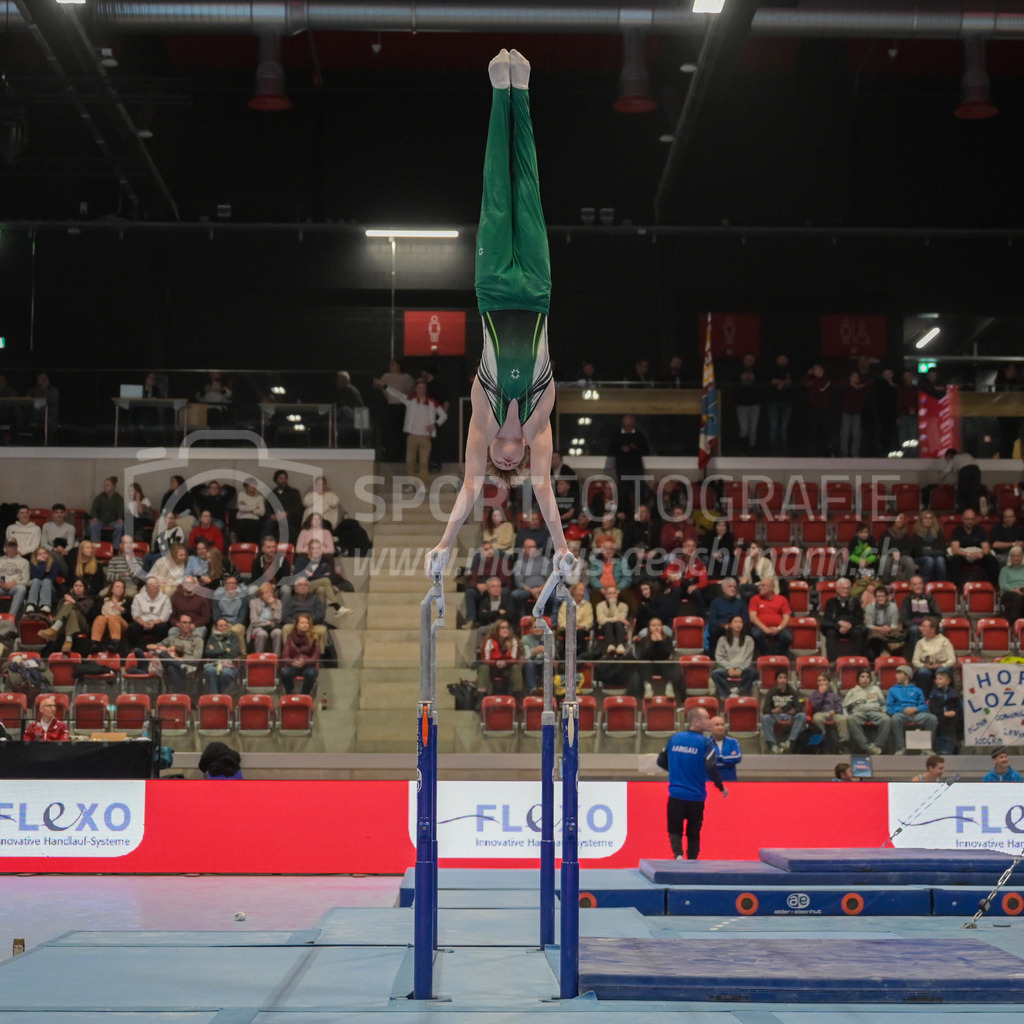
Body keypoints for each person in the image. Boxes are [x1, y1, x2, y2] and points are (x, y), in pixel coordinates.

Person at [656, 706, 728, 860]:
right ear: (696, 722)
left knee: (674, 828)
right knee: (694, 832)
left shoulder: (674, 738)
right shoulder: (705, 742)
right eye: (706, 718)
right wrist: (720, 786)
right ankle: (692, 861)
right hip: (696, 796)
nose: (709, 721)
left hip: (676, 794)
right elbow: (711, 767)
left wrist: (677, 770)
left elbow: (661, 761)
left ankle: (678, 854)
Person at [386, 378, 448, 487]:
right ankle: (411, 485)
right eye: (419, 388)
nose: (421, 390)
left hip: (425, 436)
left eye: (423, 388)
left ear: (426, 389)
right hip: (412, 435)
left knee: (424, 464)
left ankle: (421, 486)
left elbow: (443, 415)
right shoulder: (411, 400)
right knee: (410, 462)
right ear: (416, 389)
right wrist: (384, 386)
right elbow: (397, 394)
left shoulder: (432, 402)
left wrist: (435, 425)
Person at [887, 664, 938, 754]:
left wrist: (915, 709)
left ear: (907, 675)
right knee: (895, 719)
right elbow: (890, 708)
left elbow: (924, 706)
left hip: (916, 714)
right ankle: (900, 748)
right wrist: (902, 710)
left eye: (899, 673)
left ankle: (927, 748)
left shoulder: (917, 690)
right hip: (901, 714)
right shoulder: (892, 690)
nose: (896, 676)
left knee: (932, 719)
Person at [948, 507, 999, 590]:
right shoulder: (957, 530)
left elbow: (986, 549)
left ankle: (993, 588)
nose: (969, 521)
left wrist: (980, 554)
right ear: (963, 519)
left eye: (972, 519)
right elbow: (955, 549)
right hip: (963, 555)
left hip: (978, 555)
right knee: (955, 559)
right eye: (967, 519)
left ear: (975, 520)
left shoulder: (980, 530)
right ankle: (956, 588)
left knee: (991, 560)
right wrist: (968, 554)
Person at [842, 669, 891, 755]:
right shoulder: (853, 691)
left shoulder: (875, 689)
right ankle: (867, 747)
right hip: (859, 712)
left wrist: (884, 712)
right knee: (850, 719)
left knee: (887, 720)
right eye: (862, 677)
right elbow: (844, 706)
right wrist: (846, 716)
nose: (865, 679)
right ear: (858, 679)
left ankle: (876, 745)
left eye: (868, 677)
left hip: (875, 711)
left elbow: (883, 703)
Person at [760, 669, 807, 753]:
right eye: (780, 678)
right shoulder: (771, 692)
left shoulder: (792, 691)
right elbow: (765, 709)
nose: (782, 680)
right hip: (776, 716)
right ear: (777, 680)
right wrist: (773, 711)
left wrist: (794, 711)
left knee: (802, 716)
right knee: (765, 718)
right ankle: (773, 745)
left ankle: (789, 742)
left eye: (785, 678)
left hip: (789, 715)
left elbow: (799, 707)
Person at [711, 614, 756, 700]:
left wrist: (740, 669)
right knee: (715, 673)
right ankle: (727, 695)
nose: (738, 624)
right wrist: (729, 668)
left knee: (752, 672)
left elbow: (748, 658)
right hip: (727, 668)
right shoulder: (722, 639)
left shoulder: (749, 640)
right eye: (736, 622)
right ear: (730, 625)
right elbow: (719, 657)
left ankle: (740, 691)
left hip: (743, 668)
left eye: (740, 622)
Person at [820, 575, 865, 661]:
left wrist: (849, 624)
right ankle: (832, 661)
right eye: (843, 588)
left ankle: (857, 660)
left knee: (859, 633)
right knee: (829, 632)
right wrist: (839, 624)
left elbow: (859, 618)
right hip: (836, 628)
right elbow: (828, 618)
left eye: (847, 588)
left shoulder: (855, 602)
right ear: (837, 589)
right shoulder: (830, 602)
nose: (845, 591)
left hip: (852, 628)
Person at [38, 578, 97, 644]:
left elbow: (85, 612)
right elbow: (57, 613)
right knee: (72, 612)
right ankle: (68, 641)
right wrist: (63, 605)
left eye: (80, 586)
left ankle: (54, 629)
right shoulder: (65, 599)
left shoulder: (89, 600)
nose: (78, 588)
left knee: (71, 606)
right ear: (73, 588)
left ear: (85, 588)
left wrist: (73, 602)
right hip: (64, 623)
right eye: (76, 586)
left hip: (80, 624)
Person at [632, 616, 677, 699]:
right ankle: (647, 686)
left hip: (662, 665)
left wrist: (660, 642)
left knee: (670, 663)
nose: (656, 627)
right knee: (642, 664)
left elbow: (666, 654)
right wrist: (652, 642)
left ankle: (669, 686)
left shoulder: (667, 639)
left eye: (659, 625)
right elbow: (644, 655)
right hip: (649, 665)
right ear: (649, 628)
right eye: (653, 625)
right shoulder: (643, 640)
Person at [910, 616, 956, 696]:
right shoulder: (920, 643)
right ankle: (925, 698)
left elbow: (952, 660)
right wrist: (924, 665)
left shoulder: (944, 641)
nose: (921, 628)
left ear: (933, 629)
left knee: (941, 672)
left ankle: (942, 697)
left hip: (941, 666)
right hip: (926, 666)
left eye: (924, 626)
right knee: (923, 673)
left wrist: (941, 665)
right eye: (921, 626)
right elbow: (915, 661)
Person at [748, 576, 792, 656]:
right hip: (760, 627)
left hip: (778, 628)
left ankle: (777, 655)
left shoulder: (782, 599)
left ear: (771, 587)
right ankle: (768, 655)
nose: (760, 587)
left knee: (787, 637)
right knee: (756, 634)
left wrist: (778, 628)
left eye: (763, 585)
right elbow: (753, 617)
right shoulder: (755, 599)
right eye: (759, 585)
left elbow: (786, 617)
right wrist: (765, 628)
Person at [479, 618, 522, 700]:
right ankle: (481, 698)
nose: (505, 630)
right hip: (493, 669)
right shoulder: (489, 641)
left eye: (507, 628)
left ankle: (518, 698)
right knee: (483, 668)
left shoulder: (514, 641)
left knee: (516, 668)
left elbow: (514, 659)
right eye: (502, 628)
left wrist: (505, 663)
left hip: (507, 669)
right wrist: (495, 663)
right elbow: (485, 659)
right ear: (496, 629)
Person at [126, 575, 172, 648]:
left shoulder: (165, 598)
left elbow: (165, 615)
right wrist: (142, 622)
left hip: (157, 622)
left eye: (154, 584)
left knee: (163, 627)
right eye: (149, 584)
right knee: (132, 627)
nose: (152, 586)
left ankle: (160, 650)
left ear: (158, 586)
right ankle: (134, 650)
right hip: (142, 622)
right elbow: (135, 613)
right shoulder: (138, 597)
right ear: (146, 586)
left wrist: (154, 623)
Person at [279, 613, 320, 695]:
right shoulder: (290, 637)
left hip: (308, 665)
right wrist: (293, 662)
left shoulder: (314, 637)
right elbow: (285, 655)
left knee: (311, 673)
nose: (304, 625)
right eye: (302, 623)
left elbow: (316, 656)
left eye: (306, 623)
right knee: (285, 673)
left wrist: (304, 661)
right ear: (297, 625)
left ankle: (304, 695)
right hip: (293, 665)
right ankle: (290, 693)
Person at [863, 583, 905, 660]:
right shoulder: (870, 607)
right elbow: (869, 625)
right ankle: (882, 653)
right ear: (875, 597)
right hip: (875, 631)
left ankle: (886, 652)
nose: (880, 598)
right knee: (874, 637)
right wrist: (880, 629)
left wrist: (888, 629)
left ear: (887, 597)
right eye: (878, 596)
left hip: (890, 631)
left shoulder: (893, 607)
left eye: (882, 596)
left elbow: (894, 624)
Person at [927, 668, 963, 755]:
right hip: (940, 715)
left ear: (948, 681)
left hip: (953, 716)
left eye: (940, 679)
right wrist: (942, 713)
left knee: (960, 719)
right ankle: (941, 749)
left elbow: (959, 707)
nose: (938, 681)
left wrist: (954, 712)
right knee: (940, 723)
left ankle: (957, 745)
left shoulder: (954, 693)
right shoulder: (934, 693)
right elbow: (932, 707)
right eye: (937, 679)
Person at [809, 673, 850, 750]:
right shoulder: (814, 694)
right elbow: (816, 706)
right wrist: (822, 694)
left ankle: (843, 742)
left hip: (833, 713)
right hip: (820, 712)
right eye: (819, 681)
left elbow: (839, 706)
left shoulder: (834, 695)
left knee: (842, 719)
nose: (821, 682)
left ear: (828, 682)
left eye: (824, 680)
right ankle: (822, 739)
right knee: (817, 718)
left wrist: (835, 711)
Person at [766, 353, 794, 456]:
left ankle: (783, 452)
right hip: (773, 402)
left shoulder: (790, 370)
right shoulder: (771, 370)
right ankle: (773, 451)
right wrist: (781, 382)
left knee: (783, 428)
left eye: (784, 359)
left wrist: (782, 383)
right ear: (776, 360)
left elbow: (791, 381)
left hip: (787, 402)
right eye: (780, 359)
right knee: (773, 427)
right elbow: (771, 380)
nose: (782, 361)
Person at [91, 578, 129, 651]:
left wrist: (121, 609)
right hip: (105, 624)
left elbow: (130, 616)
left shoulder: (127, 600)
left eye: (122, 588)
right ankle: (95, 643)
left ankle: (114, 643)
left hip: (121, 625)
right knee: (100, 618)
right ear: (112, 589)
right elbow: (93, 614)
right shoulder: (103, 600)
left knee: (113, 618)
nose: (120, 589)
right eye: (117, 587)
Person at [911, 510, 947, 582]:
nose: (928, 520)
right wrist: (933, 549)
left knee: (940, 560)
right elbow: (917, 551)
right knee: (929, 560)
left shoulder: (938, 532)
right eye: (926, 518)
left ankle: (943, 584)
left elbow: (942, 550)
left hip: (936, 556)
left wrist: (928, 550)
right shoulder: (917, 533)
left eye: (930, 518)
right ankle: (925, 584)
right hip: (920, 558)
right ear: (921, 520)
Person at [248, 581, 283, 656]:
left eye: (270, 592)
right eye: (266, 593)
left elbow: (279, 620)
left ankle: (277, 658)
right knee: (262, 634)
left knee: (278, 632)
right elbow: (254, 621)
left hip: (273, 627)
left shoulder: (278, 603)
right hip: (258, 627)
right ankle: (258, 658)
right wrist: (268, 623)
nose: (269, 595)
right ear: (261, 594)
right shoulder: (254, 602)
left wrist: (273, 607)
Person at [88, 475, 125, 546]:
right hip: (101, 520)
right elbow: (94, 509)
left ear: (113, 487)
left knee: (120, 526)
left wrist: (120, 518)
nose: (105, 487)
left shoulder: (119, 499)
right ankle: (96, 545)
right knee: (92, 525)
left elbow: (121, 510)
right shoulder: (99, 498)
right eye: (104, 485)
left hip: (113, 520)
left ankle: (115, 546)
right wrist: (94, 517)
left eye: (108, 485)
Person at [594, 584, 630, 654]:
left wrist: (613, 605)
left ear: (617, 594)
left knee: (619, 623)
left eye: (614, 593)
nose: (612, 595)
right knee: (608, 624)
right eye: (609, 593)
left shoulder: (624, 606)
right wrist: (617, 618)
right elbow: (601, 620)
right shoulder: (600, 605)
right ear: (606, 595)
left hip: (619, 629)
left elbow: (621, 620)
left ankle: (620, 645)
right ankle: (609, 645)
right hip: (605, 629)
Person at [0, 537, 30, 618]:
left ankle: (11, 616)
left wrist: (14, 583)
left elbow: (26, 581)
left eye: (14, 546)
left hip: (15, 587)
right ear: (5, 547)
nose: (12, 548)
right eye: (10, 546)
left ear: (17, 547)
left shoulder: (24, 562)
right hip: (1, 587)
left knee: (22, 588)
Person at [25, 546, 59, 615]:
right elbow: (37, 576)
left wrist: (43, 563)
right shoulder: (33, 565)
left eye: (45, 553)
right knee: (36, 580)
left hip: (50, 587)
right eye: (40, 554)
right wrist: (42, 564)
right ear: (36, 556)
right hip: (36, 586)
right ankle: (31, 604)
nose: (43, 555)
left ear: (48, 554)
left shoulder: (54, 564)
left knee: (46, 581)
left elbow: (51, 577)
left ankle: (45, 605)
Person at [708, 715, 742, 782]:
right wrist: (728, 761)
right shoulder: (705, 743)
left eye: (722, 725)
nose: (720, 727)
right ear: (710, 728)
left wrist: (718, 758)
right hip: (710, 782)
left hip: (730, 781)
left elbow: (737, 757)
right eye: (717, 725)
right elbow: (706, 761)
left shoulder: (733, 742)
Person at [234, 479, 266, 545]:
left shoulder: (260, 497)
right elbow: (242, 508)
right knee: (242, 527)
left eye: (255, 485)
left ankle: (251, 549)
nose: (253, 487)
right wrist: (255, 507)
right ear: (246, 486)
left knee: (254, 529)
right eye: (251, 485)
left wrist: (247, 506)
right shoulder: (241, 494)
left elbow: (262, 512)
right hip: (242, 518)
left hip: (254, 519)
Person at [1000, 546, 1024, 623]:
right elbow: (1003, 584)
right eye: (1014, 556)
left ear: (1022, 557)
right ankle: (1014, 621)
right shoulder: (1005, 569)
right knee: (1017, 597)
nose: (1016, 558)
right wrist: (1014, 590)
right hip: (1008, 592)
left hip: (1022, 590)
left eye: (1018, 556)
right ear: (1010, 557)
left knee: (1020, 596)